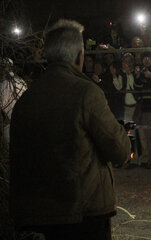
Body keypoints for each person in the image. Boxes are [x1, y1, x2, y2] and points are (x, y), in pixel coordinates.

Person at [9, 19, 131, 240]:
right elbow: (119, 150)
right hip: (82, 214)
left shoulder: (27, 98)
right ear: (78, 55)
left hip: (38, 215)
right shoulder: (86, 93)